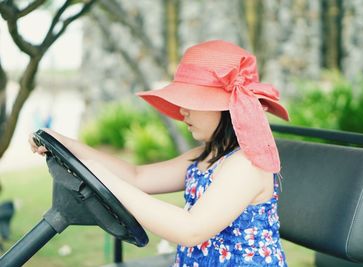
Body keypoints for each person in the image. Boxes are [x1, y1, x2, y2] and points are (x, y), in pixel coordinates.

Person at [29, 40, 289, 266]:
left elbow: (190, 229)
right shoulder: (205, 156)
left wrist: (107, 180)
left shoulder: (248, 163)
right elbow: (138, 176)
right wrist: (66, 143)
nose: (181, 110)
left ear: (225, 107)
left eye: (191, 100)